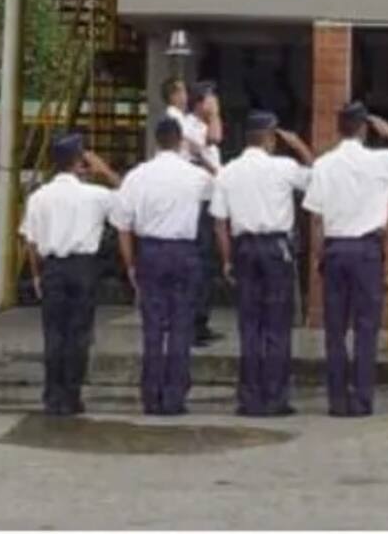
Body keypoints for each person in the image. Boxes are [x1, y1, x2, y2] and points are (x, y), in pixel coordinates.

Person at [304, 102, 388, 417]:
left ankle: (337, 399)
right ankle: (362, 398)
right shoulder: (381, 160)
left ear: (338, 128)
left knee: (335, 329)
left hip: (335, 248)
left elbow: (315, 218)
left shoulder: (324, 165)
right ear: (365, 129)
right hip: (367, 252)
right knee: (367, 328)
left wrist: (319, 254)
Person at [210, 111, 314, 417]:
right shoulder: (283, 167)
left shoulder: (227, 172)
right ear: (270, 138)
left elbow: (219, 223)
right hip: (276, 249)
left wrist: (227, 259)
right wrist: (300, 146)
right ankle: (276, 397)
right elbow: (315, 177)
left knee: (250, 325)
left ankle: (250, 398)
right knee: (277, 325)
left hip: (244, 249)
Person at [112, 117, 214, 416]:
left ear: (155, 140)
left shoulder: (137, 176)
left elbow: (123, 226)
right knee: (182, 325)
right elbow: (220, 181)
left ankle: (151, 395)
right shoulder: (193, 175)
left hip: (151, 251)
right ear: (180, 140)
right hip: (183, 251)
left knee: (153, 327)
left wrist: (130, 265)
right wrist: (202, 154)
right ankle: (175, 397)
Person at [20, 134, 121, 416]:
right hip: (83, 268)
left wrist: (37, 275)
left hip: (52, 267)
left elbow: (30, 240)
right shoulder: (96, 195)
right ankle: (72, 395)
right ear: (80, 162)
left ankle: (53, 396)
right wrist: (105, 172)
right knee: (79, 333)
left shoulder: (39, 196)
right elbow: (128, 201)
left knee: (53, 333)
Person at [183, 81, 224, 346]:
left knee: (207, 266)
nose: (214, 104)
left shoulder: (202, 124)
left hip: (209, 201)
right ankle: (193, 324)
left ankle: (201, 321)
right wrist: (215, 114)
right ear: (200, 102)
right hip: (195, 203)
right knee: (197, 265)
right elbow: (216, 138)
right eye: (210, 99)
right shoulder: (188, 126)